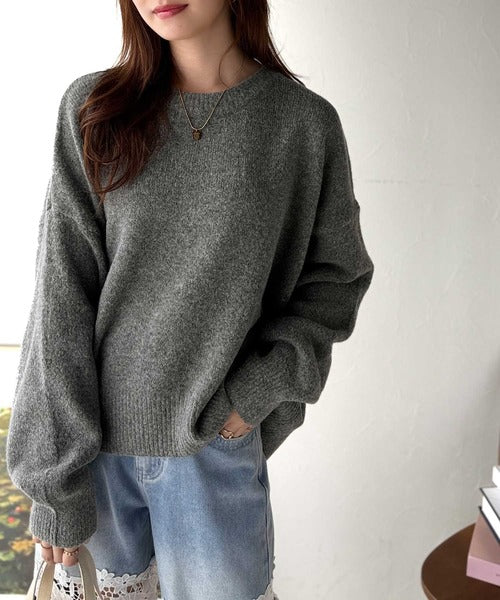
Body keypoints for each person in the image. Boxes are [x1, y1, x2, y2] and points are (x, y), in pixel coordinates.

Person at [5, 0, 375, 598]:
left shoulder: (301, 124)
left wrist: (248, 400)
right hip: (93, 463)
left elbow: (336, 279)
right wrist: (54, 483)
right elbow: (60, 297)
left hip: (212, 452)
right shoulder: (94, 110)